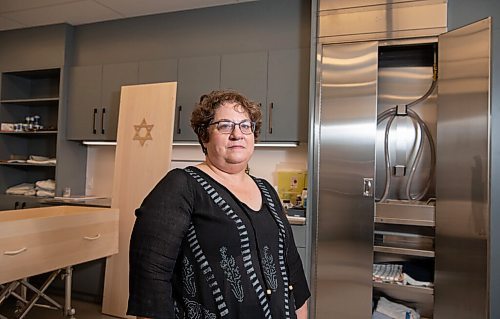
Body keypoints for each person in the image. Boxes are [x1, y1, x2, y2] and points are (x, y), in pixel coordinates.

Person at [127, 89, 310, 319]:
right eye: (225, 125)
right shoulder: (180, 187)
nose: (237, 134)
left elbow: (292, 267)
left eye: (246, 125)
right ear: (205, 136)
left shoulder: (267, 190)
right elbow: (151, 278)